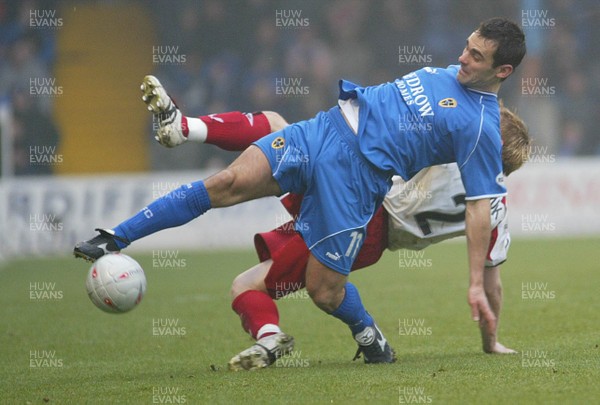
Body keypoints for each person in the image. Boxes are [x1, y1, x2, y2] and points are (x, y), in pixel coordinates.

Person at [75, 18, 526, 365]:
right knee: (228, 182)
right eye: (467, 47)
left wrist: (473, 285)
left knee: (325, 292)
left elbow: (479, 209)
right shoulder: (456, 76)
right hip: (325, 130)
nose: (463, 58)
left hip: (356, 182)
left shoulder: (482, 127)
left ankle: (370, 335)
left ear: (502, 70)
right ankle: (115, 236)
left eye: (476, 57)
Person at [130, 105, 527, 370]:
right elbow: (492, 283)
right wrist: (490, 341)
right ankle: (350, 335)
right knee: (253, 281)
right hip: (373, 240)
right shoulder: (496, 211)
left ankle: (186, 128)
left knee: (272, 127)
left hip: (355, 203)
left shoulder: (452, 154)